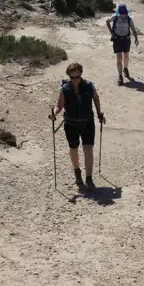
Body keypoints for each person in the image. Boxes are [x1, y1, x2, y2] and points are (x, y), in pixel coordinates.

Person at [49, 62, 105, 190]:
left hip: (87, 122)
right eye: (72, 77)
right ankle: (77, 172)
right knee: (73, 149)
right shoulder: (65, 89)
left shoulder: (90, 86)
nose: (75, 80)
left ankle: (89, 177)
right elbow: (60, 105)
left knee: (88, 149)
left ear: (81, 75)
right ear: (69, 77)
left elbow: (96, 98)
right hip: (71, 123)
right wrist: (55, 113)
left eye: (77, 77)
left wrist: (99, 113)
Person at [106, 3, 139, 86]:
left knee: (126, 56)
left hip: (126, 40)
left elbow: (133, 29)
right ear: (119, 12)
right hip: (117, 40)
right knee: (119, 58)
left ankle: (125, 68)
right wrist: (111, 32)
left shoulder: (129, 19)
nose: (123, 15)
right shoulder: (115, 18)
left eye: (124, 13)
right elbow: (107, 21)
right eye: (121, 13)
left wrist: (136, 38)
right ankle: (120, 76)